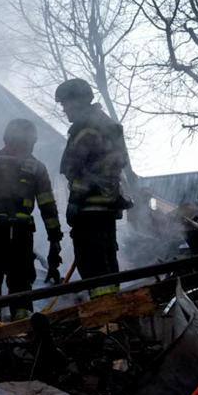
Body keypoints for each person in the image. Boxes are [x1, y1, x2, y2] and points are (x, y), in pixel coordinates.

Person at [0, 118, 62, 319]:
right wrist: (54, 240)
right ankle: (22, 332)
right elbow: (48, 208)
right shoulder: (37, 167)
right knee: (21, 285)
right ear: (30, 141)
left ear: (7, 138)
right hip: (21, 236)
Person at [54, 78, 131, 297]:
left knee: (92, 263)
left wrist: (75, 201)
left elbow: (83, 170)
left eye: (65, 104)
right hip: (106, 207)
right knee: (106, 262)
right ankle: (112, 314)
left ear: (78, 101)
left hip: (89, 208)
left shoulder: (87, 128)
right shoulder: (104, 123)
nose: (65, 109)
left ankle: (103, 316)